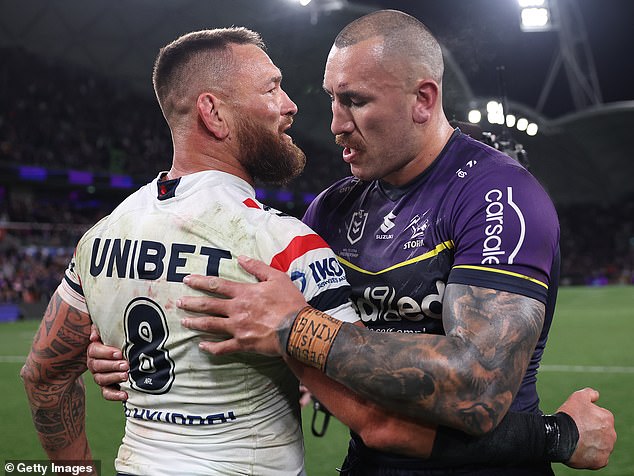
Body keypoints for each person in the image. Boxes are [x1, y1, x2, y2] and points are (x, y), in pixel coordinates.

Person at [88, 10, 616, 476]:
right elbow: (259, 328)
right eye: (333, 101)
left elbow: (474, 389)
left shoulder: (498, 195)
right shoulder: (333, 208)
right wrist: (133, 355)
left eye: (356, 102)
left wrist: (300, 327)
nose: (335, 124)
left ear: (423, 100)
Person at [21, 27, 368, 476]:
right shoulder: (280, 244)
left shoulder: (100, 237)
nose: (290, 105)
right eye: (271, 88)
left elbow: (43, 377)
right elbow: (373, 405)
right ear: (213, 113)